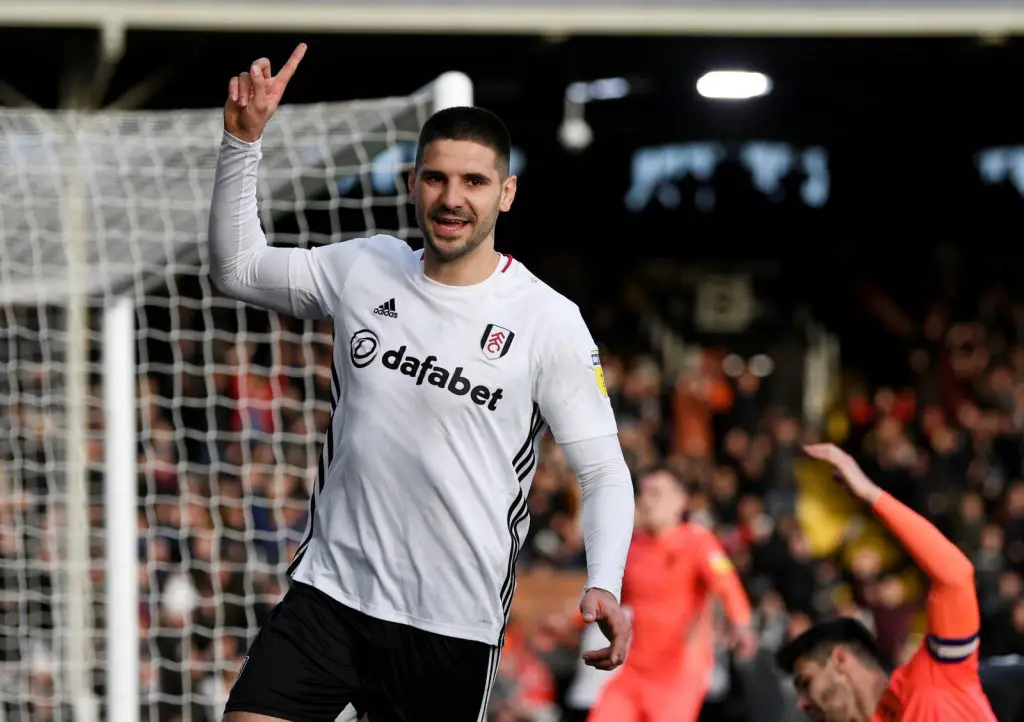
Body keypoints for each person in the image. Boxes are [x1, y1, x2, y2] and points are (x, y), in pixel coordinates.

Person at [207, 45, 636, 722]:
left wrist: (605, 581)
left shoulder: (548, 320)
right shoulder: (363, 269)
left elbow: (604, 471)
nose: (452, 198)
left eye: (473, 181)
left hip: (450, 621)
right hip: (331, 595)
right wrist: (242, 142)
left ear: (506, 192)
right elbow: (236, 269)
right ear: (413, 183)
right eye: (436, 178)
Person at [776, 443, 998, 722]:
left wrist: (872, 495)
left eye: (806, 682)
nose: (802, 704)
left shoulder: (930, 681)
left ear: (841, 660)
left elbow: (955, 576)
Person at [587, 467, 757, 722]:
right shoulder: (632, 548)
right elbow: (610, 599)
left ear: (680, 500)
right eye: (643, 493)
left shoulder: (697, 541)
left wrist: (741, 623)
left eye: (656, 493)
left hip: (679, 674)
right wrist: (571, 621)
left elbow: (727, 584)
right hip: (634, 671)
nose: (646, 501)